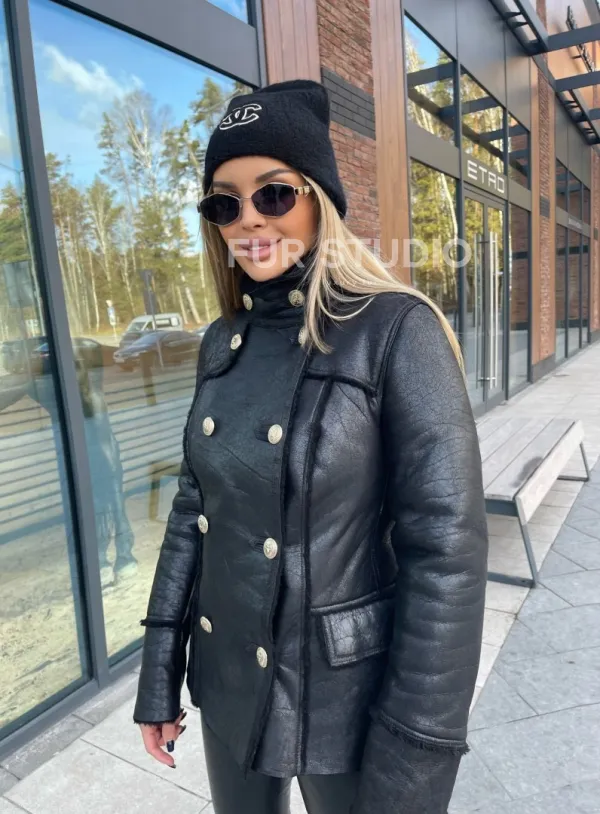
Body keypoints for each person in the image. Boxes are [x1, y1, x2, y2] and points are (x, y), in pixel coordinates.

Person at [133, 79, 488, 814]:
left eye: (273, 193)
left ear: (318, 198)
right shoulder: (220, 343)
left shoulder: (395, 331)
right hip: (229, 678)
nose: (248, 219)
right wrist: (159, 669)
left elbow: (446, 554)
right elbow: (193, 511)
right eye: (224, 203)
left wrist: (416, 749)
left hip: (345, 700)